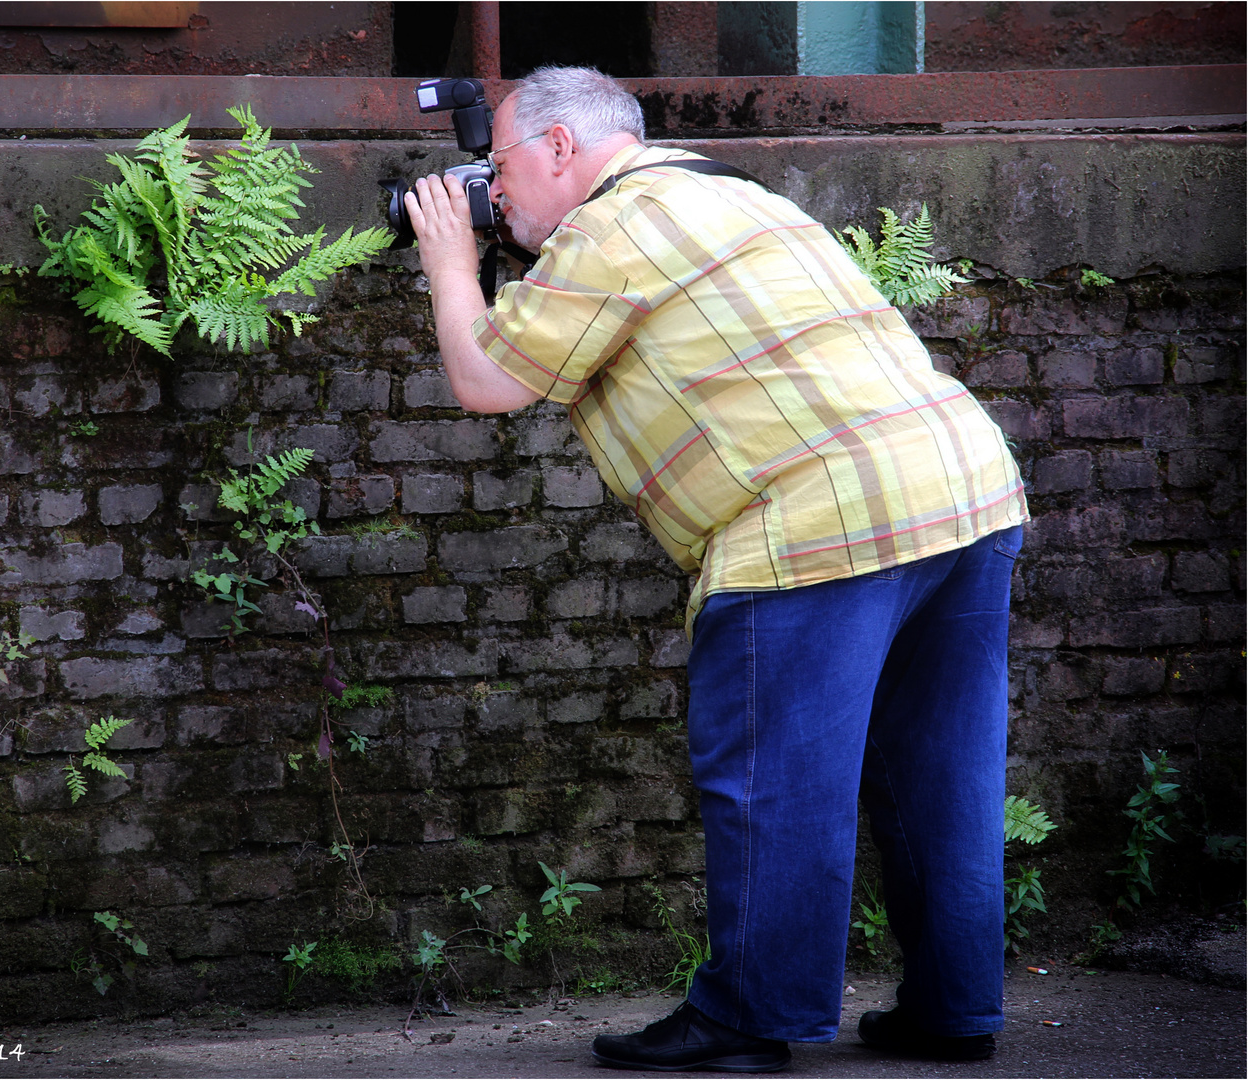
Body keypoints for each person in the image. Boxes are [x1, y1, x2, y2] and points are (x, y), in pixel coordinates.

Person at [403, 66, 1029, 1072]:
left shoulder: (610, 228)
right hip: (964, 493)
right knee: (940, 775)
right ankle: (953, 1010)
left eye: (501, 164)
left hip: (817, 527)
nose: (496, 188)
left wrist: (448, 257)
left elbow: (486, 380)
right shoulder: (736, 193)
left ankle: (749, 1018)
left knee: (774, 783)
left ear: (562, 147)